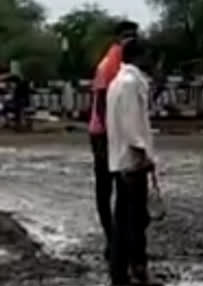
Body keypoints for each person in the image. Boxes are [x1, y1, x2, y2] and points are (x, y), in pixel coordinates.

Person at [106, 38, 159, 286]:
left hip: (120, 159)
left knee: (123, 219)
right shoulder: (130, 84)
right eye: (149, 55)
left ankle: (119, 272)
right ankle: (139, 269)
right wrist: (143, 154)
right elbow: (131, 125)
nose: (151, 60)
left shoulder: (117, 82)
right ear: (140, 56)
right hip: (131, 161)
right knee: (137, 220)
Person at [89, 20, 139, 262]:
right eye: (127, 35)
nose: (131, 38)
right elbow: (99, 101)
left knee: (122, 189)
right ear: (118, 37)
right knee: (106, 188)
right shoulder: (110, 64)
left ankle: (119, 240)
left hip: (114, 133)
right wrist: (111, 133)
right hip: (103, 133)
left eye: (134, 34)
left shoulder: (128, 63)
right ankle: (112, 238)